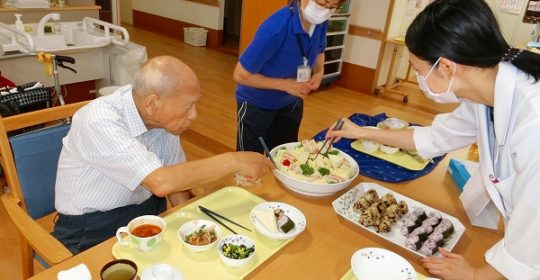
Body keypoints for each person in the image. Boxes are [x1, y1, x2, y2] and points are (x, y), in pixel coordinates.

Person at [327, 0, 540, 279]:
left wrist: (475, 275)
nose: (417, 77)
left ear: (448, 68)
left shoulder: (533, 122)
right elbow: (436, 137)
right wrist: (363, 132)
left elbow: (534, 232)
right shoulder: (484, 92)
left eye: (417, 68)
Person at [53, 56, 271, 254]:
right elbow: (161, 182)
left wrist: (193, 229)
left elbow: (176, 184)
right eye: (188, 107)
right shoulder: (98, 120)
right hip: (91, 229)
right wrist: (234, 160)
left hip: (148, 212)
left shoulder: (164, 122)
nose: (194, 115)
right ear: (152, 104)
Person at [234, 0, 346, 153]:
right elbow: (240, 74)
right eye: (322, 3)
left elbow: (319, 49)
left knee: (285, 156)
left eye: (332, 7)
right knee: (250, 162)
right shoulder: (276, 27)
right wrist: (285, 85)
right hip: (257, 104)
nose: (324, 11)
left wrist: (319, 72)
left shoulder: (320, 22)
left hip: (291, 102)